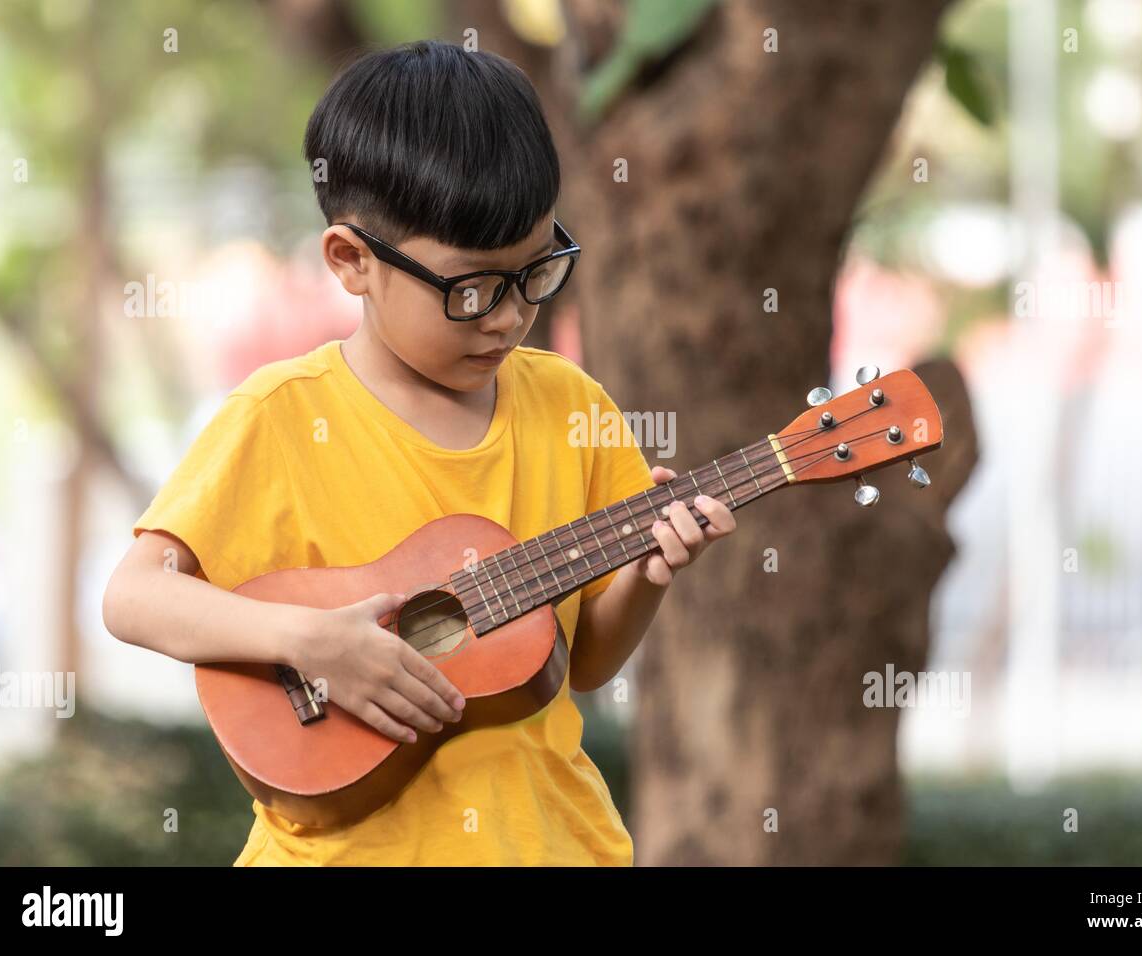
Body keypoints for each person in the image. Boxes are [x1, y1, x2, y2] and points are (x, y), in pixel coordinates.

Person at [101, 39, 737, 866]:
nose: (508, 318)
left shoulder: (571, 408)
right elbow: (135, 598)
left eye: (536, 273)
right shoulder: (284, 416)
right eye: (471, 290)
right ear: (352, 260)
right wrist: (308, 641)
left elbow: (578, 663)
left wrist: (650, 575)